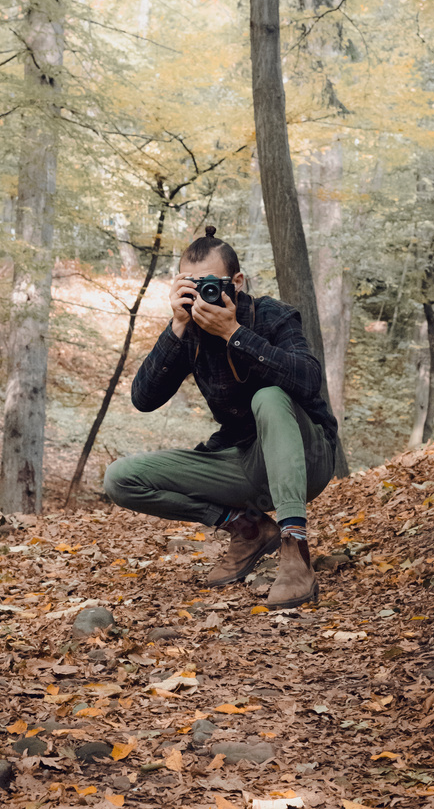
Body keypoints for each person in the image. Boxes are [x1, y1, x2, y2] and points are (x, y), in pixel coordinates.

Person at [103, 226, 338, 609]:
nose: (202, 295)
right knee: (120, 478)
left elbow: (309, 380)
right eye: (191, 286)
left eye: (212, 284)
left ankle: (295, 550)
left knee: (269, 396)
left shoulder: (271, 316)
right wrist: (177, 326)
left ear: (238, 282)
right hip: (242, 460)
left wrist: (235, 334)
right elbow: (143, 399)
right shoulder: (189, 329)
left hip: (307, 456)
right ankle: (248, 528)